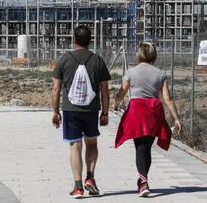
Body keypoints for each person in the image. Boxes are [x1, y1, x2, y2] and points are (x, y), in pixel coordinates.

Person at [114, 42, 182, 197]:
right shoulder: (160, 73)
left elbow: (122, 92)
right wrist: (176, 118)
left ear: (139, 54)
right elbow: (168, 98)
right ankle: (143, 180)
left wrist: (115, 104)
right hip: (153, 112)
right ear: (153, 55)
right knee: (146, 148)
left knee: (140, 147)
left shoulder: (131, 72)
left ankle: (143, 182)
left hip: (137, 111)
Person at [52, 25, 111, 198]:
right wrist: (105, 112)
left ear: (74, 40)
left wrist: (55, 112)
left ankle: (78, 187)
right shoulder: (97, 60)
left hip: (71, 110)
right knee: (91, 143)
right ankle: (90, 178)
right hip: (91, 109)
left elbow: (56, 88)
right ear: (90, 40)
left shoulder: (64, 59)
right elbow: (105, 89)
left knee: (75, 146)